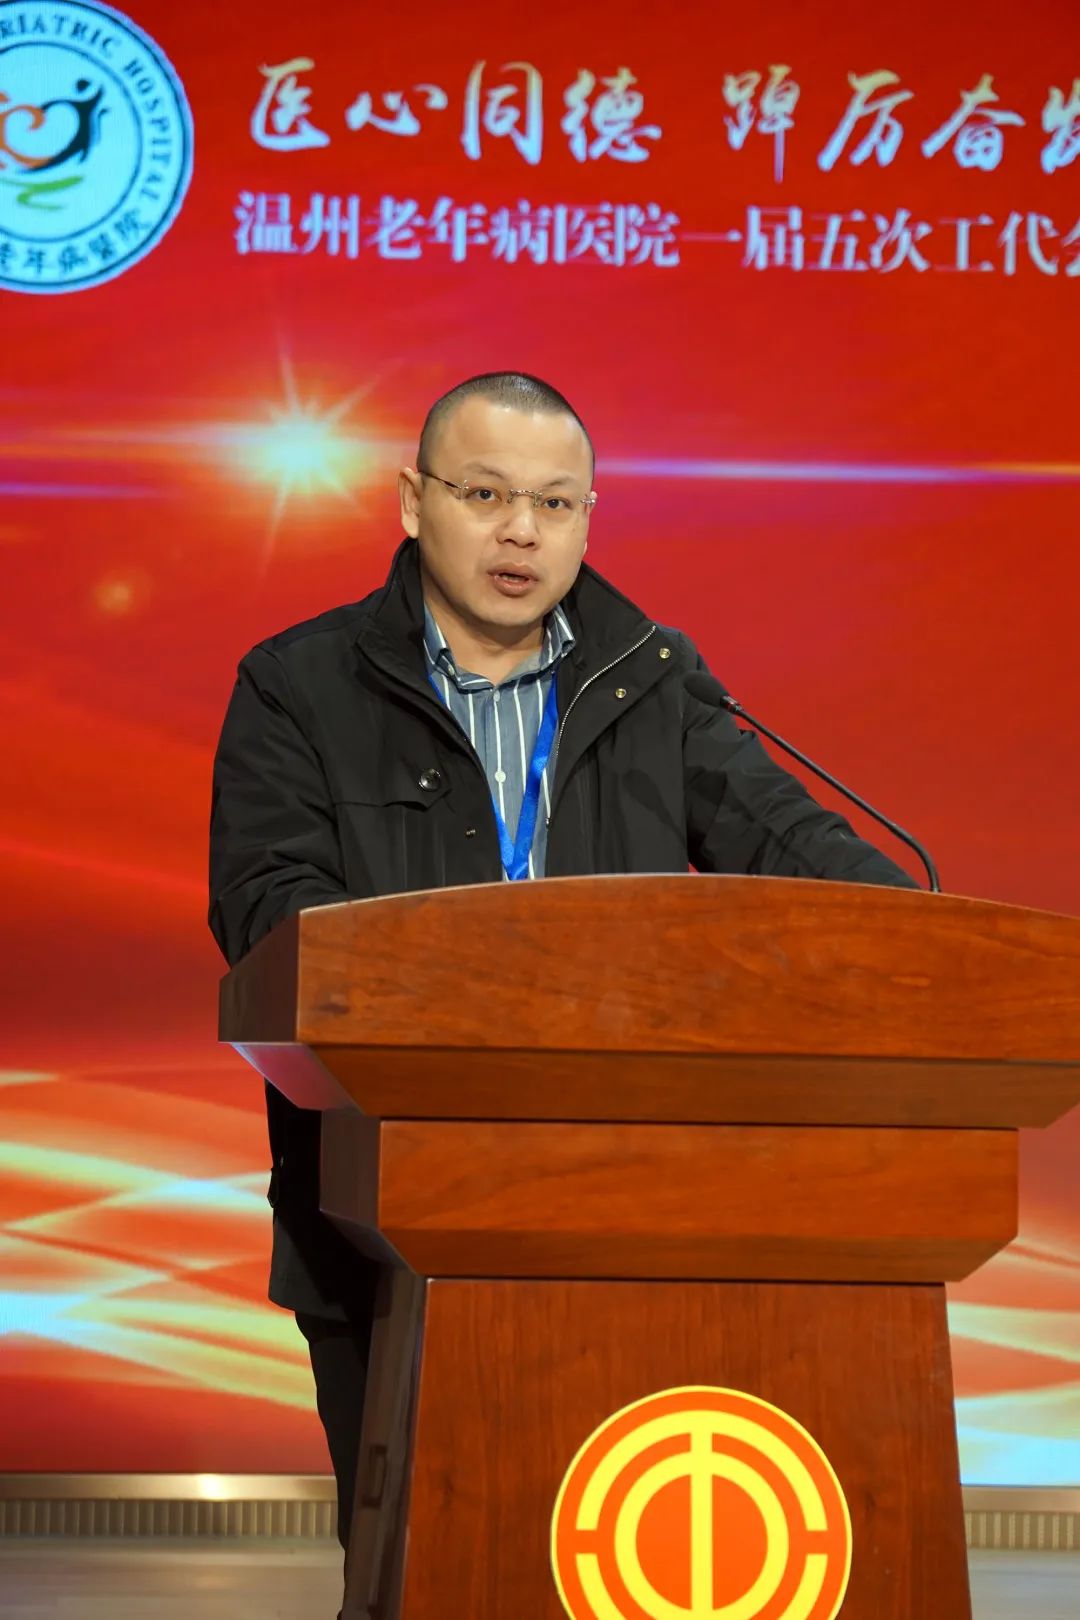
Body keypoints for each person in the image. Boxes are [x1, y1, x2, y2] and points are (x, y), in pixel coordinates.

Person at [208, 369, 916, 1559]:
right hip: (382, 1210)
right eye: (485, 494)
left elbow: (791, 844)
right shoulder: (298, 685)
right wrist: (470, 987)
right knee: (420, 1566)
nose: (522, 532)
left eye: (554, 503)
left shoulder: (654, 679)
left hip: (627, 1210)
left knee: (604, 1559)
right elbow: (269, 912)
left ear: (589, 518)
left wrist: (925, 940)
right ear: (413, 501)